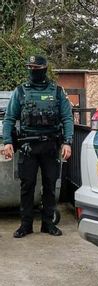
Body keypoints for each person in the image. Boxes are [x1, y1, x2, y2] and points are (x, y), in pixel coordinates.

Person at [1, 55, 74, 238]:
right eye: (30, 67)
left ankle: (48, 224)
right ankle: (25, 225)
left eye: (36, 67)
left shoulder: (57, 92)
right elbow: (10, 118)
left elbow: (67, 118)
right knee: (27, 186)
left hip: (50, 146)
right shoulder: (21, 91)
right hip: (28, 146)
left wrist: (68, 142)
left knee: (50, 186)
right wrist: (7, 141)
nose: (32, 70)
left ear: (44, 69)